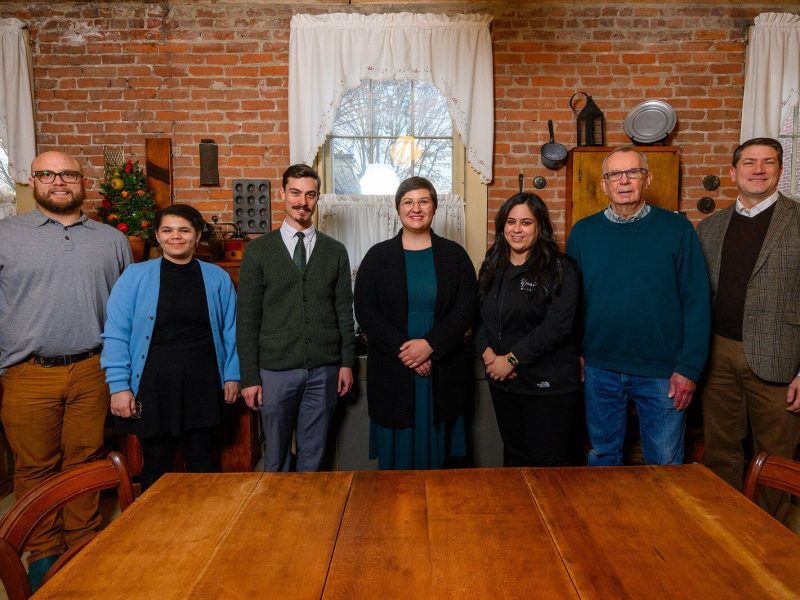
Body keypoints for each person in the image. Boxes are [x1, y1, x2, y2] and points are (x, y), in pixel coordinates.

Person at [0, 150, 131, 589]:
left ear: (83, 182)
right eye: (47, 174)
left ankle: (84, 542)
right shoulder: (6, 235)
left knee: (86, 460)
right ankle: (44, 551)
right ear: (33, 181)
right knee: (35, 465)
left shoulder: (111, 239)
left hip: (92, 367)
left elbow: (124, 309)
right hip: (27, 371)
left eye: (68, 174)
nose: (59, 182)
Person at [566, 146, 710, 466]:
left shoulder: (677, 231)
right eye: (614, 174)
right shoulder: (584, 233)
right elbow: (570, 303)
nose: (624, 181)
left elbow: (697, 303)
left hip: (662, 372)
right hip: (599, 367)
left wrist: (689, 368)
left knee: (664, 464)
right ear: (604, 185)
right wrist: (575, 353)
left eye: (633, 172)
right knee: (602, 456)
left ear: (648, 179)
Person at [101, 204, 240, 491]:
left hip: (203, 382)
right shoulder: (134, 276)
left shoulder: (217, 277)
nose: (175, 236)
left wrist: (232, 374)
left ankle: (207, 528)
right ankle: (154, 530)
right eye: (167, 230)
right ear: (157, 235)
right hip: (154, 384)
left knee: (203, 460)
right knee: (156, 463)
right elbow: (116, 333)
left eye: (184, 230)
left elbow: (231, 330)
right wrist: (119, 386)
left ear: (197, 235)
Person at [697, 137, 800, 522]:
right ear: (733, 172)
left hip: (781, 359)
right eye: (749, 163)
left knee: (775, 458)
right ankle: (725, 527)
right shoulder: (710, 228)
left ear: (779, 170)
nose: (758, 169)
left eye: (768, 162)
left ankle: (768, 534)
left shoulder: (796, 220)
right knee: (721, 449)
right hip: (718, 353)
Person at [237, 164, 354, 472]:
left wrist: (346, 362)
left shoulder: (335, 251)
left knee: (314, 456)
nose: (303, 202)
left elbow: (344, 310)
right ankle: (276, 518)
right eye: (296, 193)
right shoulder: (258, 251)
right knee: (274, 456)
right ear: (282, 194)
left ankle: (309, 519)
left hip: (324, 370)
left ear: (318, 199)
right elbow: (247, 319)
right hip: (274, 371)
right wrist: (249, 377)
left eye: (310, 194)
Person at [354, 176, 477, 470]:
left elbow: (467, 307)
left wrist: (431, 346)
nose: (416, 208)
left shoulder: (455, 256)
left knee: (440, 458)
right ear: (398, 209)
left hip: (442, 370)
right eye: (408, 202)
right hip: (394, 368)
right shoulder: (377, 256)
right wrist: (408, 351)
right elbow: (365, 310)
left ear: (434, 207)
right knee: (396, 459)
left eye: (423, 201)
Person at [475, 193, 580, 467]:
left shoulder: (560, 268)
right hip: (505, 386)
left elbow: (557, 326)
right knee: (514, 463)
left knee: (546, 471)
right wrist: (489, 357)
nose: (517, 229)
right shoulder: (493, 265)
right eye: (511, 222)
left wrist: (510, 360)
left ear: (539, 227)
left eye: (526, 222)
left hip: (547, 388)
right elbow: (479, 318)